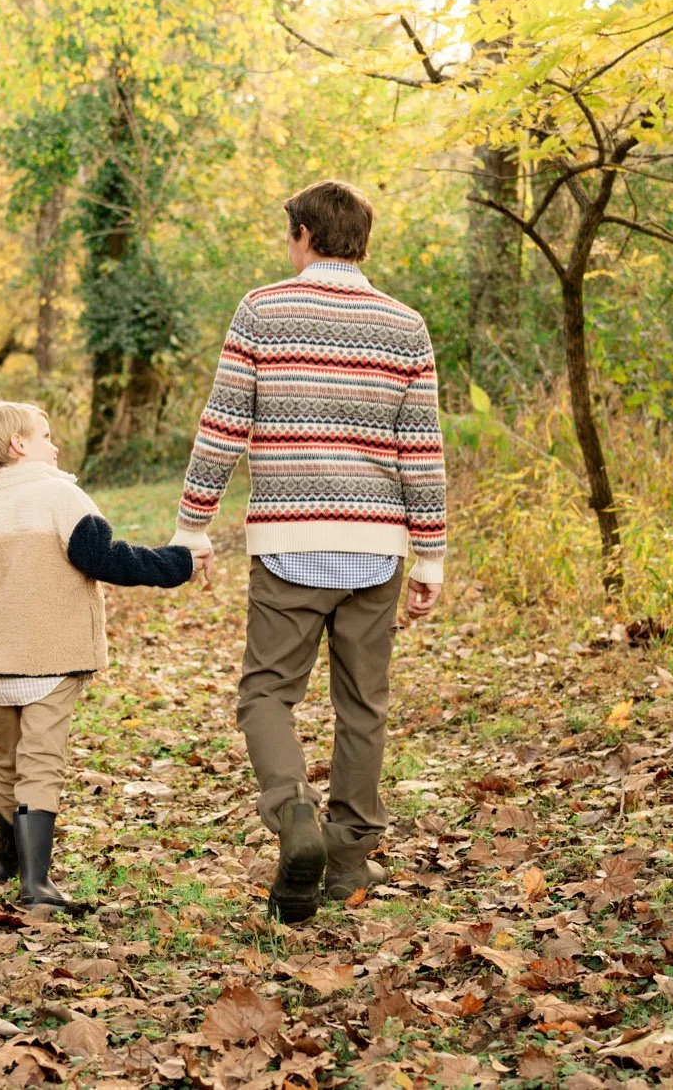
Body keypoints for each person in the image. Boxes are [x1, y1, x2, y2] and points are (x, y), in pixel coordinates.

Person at [170, 180, 446, 925]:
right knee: (363, 703)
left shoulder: (263, 309)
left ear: (301, 234)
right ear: (363, 239)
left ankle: (293, 808)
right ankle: (349, 853)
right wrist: (431, 555)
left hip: (290, 541)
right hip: (375, 546)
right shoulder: (405, 325)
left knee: (267, 692)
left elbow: (223, 424)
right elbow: (420, 449)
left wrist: (192, 526)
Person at [0, 402, 194, 911]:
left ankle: (6, 856)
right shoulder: (60, 495)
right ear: (18, 445)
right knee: (41, 763)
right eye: (46, 435)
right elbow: (106, 557)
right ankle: (37, 885)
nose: (55, 446)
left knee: (7, 759)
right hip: (50, 658)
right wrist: (176, 562)